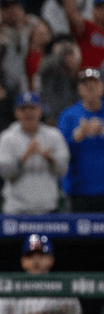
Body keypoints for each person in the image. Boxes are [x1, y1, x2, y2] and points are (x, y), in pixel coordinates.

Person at [0, 91, 70, 215]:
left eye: (32, 108)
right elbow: (5, 173)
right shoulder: (7, 137)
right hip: (16, 210)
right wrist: (25, 157)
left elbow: (63, 171)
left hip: (48, 209)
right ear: (16, 113)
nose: (28, 113)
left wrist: (50, 159)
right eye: (23, 109)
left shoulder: (54, 135)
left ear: (40, 111)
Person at [57, 67, 104, 210]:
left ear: (102, 87)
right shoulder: (68, 115)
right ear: (79, 89)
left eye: (94, 84)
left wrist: (101, 130)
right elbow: (59, 153)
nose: (91, 88)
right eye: (86, 85)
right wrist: (77, 137)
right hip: (78, 189)